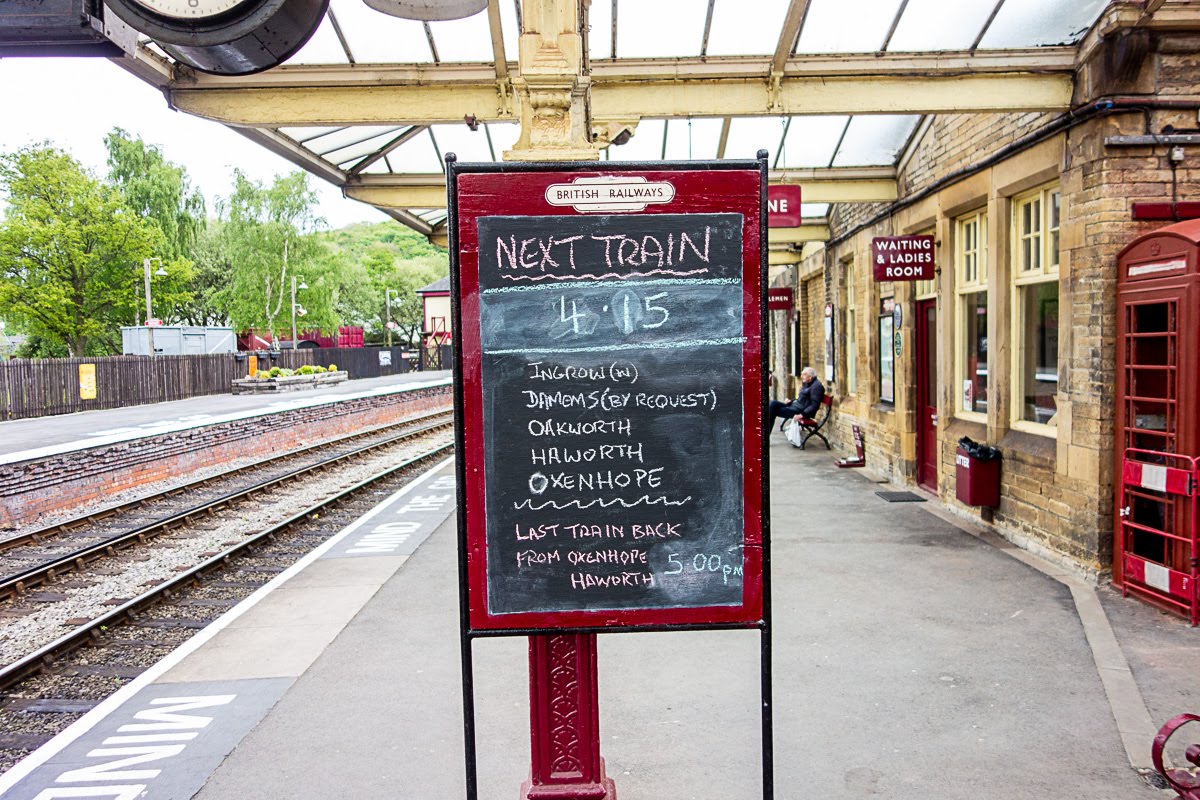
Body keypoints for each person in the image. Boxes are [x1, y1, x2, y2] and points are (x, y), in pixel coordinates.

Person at [768, 367, 824, 433]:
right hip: (794, 406)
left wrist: (801, 415)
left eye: (804, 374)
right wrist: (791, 401)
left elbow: (814, 405)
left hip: (799, 411)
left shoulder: (816, 386)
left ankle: (765, 437)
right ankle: (765, 436)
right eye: (802, 374)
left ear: (810, 377)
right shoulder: (807, 383)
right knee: (772, 403)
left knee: (772, 410)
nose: (802, 376)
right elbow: (802, 399)